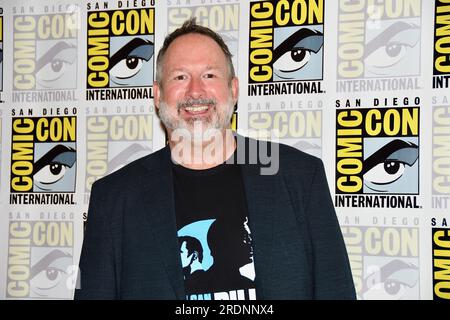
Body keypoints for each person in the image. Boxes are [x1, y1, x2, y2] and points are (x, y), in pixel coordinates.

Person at [74, 18, 356, 300]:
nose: (195, 91)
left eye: (209, 75)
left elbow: (336, 290)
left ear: (233, 89)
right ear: (158, 94)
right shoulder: (114, 198)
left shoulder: (300, 177)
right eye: (180, 77)